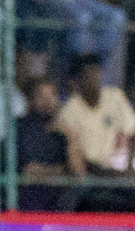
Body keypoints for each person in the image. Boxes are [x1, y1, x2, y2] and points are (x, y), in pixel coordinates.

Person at [57, 53, 135, 211]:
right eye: (88, 75)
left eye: (97, 73)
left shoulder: (115, 97)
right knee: (72, 198)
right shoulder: (70, 110)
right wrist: (103, 173)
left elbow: (132, 132)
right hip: (87, 173)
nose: (94, 80)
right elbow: (72, 151)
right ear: (78, 81)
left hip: (115, 171)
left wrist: (128, 167)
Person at [15, 77, 70, 213]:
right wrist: (56, 172)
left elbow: (75, 174)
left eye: (52, 95)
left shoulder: (60, 134)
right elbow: (30, 171)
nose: (48, 101)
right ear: (30, 100)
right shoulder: (20, 128)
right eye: (41, 96)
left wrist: (71, 137)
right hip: (25, 204)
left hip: (57, 205)